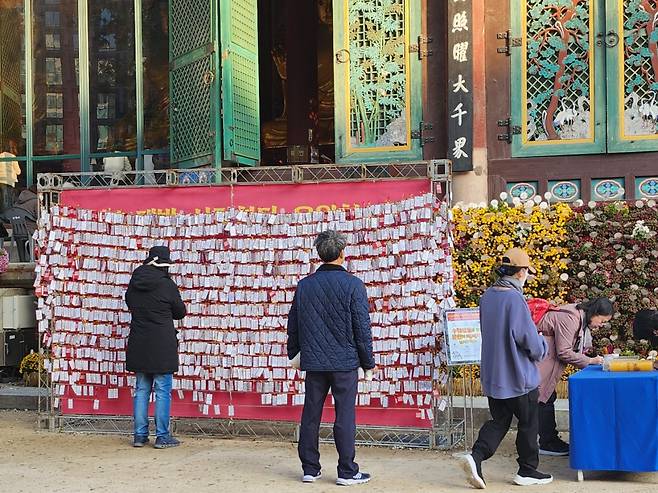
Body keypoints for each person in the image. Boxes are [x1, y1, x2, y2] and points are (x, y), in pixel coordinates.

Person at [287, 230, 375, 486]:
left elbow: (293, 323)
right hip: (345, 362)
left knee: (311, 414)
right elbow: (362, 328)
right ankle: (347, 471)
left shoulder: (304, 285)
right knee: (344, 415)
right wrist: (367, 362)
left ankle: (310, 469)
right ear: (341, 253)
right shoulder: (353, 285)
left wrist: (294, 353)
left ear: (319, 254)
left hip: (314, 361)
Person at [459, 248, 551, 489]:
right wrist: (543, 344)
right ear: (521, 273)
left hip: (494, 375)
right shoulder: (514, 298)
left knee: (499, 421)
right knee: (529, 422)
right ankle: (527, 470)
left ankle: (476, 456)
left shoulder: (487, 296)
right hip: (518, 375)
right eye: (527, 272)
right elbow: (528, 340)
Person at [125, 246, 186, 449]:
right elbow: (180, 312)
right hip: (161, 344)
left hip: (139, 342)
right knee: (162, 391)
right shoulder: (167, 285)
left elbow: (130, 304)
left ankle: (139, 435)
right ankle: (162, 436)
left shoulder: (134, 283)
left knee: (141, 389)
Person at [536, 298, 612, 456]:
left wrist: (590, 354)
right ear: (594, 313)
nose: (601, 325)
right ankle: (547, 442)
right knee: (543, 398)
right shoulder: (570, 318)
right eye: (602, 321)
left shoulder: (580, 317)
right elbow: (564, 351)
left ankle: (547, 440)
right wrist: (590, 361)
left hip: (545, 360)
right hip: (541, 361)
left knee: (546, 397)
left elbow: (580, 346)